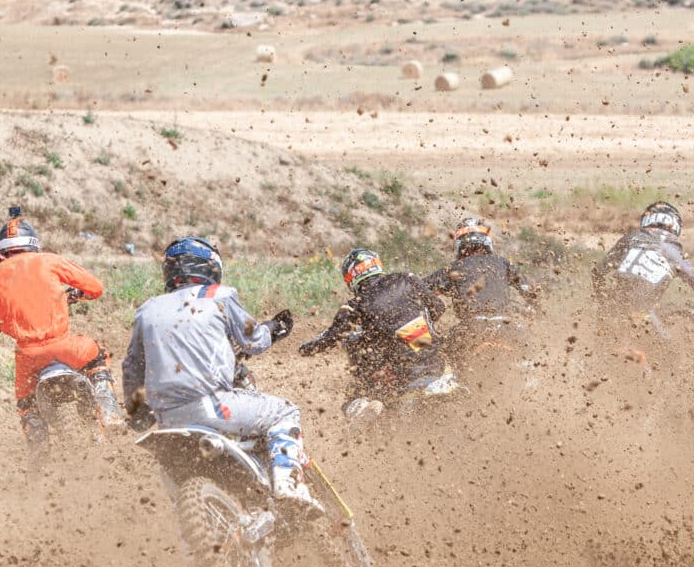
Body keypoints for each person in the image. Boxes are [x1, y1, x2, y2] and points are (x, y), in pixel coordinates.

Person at [121, 236, 319, 511]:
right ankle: (289, 485)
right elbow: (254, 341)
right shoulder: (220, 295)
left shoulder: (148, 309)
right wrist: (273, 327)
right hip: (213, 407)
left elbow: (132, 366)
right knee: (285, 411)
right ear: (210, 268)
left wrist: (137, 412)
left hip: (167, 421)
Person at [0, 211, 125, 446]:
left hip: (29, 358)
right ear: (33, 244)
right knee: (98, 356)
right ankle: (108, 409)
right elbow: (96, 288)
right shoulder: (50, 261)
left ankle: (38, 448)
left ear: (1, 251)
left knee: (26, 403)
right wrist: (77, 295)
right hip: (68, 348)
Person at [299, 248, 452, 420]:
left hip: (400, 371)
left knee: (355, 392)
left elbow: (329, 338)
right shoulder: (406, 279)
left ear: (350, 278)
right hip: (433, 361)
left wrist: (304, 348)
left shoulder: (355, 305)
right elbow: (438, 308)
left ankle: (365, 412)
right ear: (376, 265)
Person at [593, 201, 694, 337]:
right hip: (642, 312)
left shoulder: (629, 238)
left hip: (610, 308)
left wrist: (603, 301)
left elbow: (598, 273)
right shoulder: (674, 252)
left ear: (646, 221)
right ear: (675, 227)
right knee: (671, 354)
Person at [424, 217, 536, 353]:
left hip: (470, 329)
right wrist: (534, 309)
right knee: (533, 356)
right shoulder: (503, 263)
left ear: (459, 245)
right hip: (507, 327)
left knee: (440, 358)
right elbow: (530, 292)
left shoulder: (455, 267)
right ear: (487, 242)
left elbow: (420, 289)